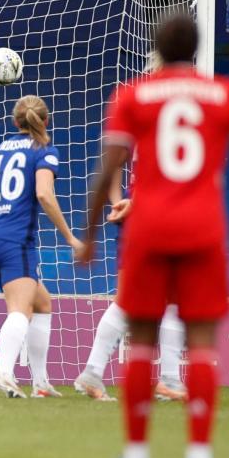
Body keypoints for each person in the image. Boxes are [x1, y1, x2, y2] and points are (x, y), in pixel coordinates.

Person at [77, 14, 229, 458]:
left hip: (148, 228)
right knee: (201, 345)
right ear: (199, 45)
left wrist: (91, 234)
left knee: (139, 340)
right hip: (204, 230)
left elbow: (105, 172)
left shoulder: (133, 96)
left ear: (158, 49)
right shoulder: (226, 94)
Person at [0, 95, 82, 399]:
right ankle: (3, 371)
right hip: (15, 241)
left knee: (42, 303)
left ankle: (40, 383)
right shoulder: (44, 151)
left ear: (15, 122)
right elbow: (44, 194)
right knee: (20, 309)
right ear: (46, 121)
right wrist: (70, 238)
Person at [74, 153, 188, 404]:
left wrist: (122, 201)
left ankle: (92, 373)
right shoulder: (171, 121)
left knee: (126, 300)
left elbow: (112, 159)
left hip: (134, 212)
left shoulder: (138, 123)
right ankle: (169, 380)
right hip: (156, 214)